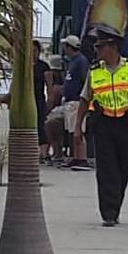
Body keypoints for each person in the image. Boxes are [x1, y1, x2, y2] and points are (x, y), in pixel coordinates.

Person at [74, 29, 128, 227]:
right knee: (106, 169)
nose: (96, 50)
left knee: (123, 167)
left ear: (113, 47)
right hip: (103, 122)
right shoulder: (95, 72)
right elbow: (85, 99)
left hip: (126, 123)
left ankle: (115, 207)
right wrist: (78, 126)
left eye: (100, 46)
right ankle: (108, 213)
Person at [59, 35, 90, 170]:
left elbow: (85, 80)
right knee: (71, 130)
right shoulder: (72, 61)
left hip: (77, 101)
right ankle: (75, 156)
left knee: (78, 130)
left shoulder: (80, 61)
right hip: (70, 100)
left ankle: (81, 157)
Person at [33, 41, 51, 164]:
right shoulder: (24, 66)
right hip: (28, 101)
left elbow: (49, 85)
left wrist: (50, 101)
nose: (33, 53)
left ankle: (44, 153)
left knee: (41, 126)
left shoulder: (43, 66)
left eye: (35, 51)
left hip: (39, 99)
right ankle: (33, 152)